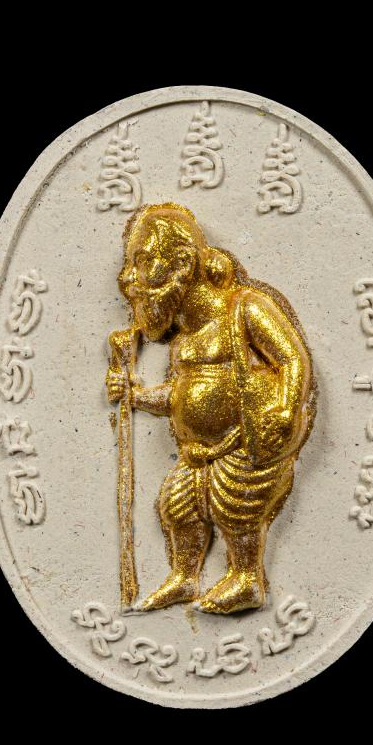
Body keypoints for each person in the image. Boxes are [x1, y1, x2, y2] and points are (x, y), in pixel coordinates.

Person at [107, 202, 315, 614]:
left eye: (143, 262)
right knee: (178, 507)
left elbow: (292, 358)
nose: (129, 277)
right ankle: (185, 577)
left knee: (237, 512)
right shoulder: (184, 336)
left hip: (246, 443)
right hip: (198, 452)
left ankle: (247, 579)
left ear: (182, 265)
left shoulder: (243, 307)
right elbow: (179, 396)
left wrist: (286, 407)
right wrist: (135, 395)